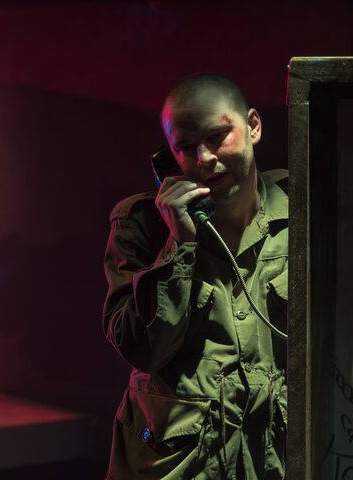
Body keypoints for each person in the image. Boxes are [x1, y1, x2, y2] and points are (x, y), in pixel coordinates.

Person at [102, 74, 288, 479]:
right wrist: (179, 244)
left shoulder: (302, 213)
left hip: (273, 461)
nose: (204, 159)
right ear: (168, 158)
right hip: (179, 464)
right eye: (186, 148)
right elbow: (143, 349)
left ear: (253, 126)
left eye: (218, 137)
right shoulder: (141, 226)